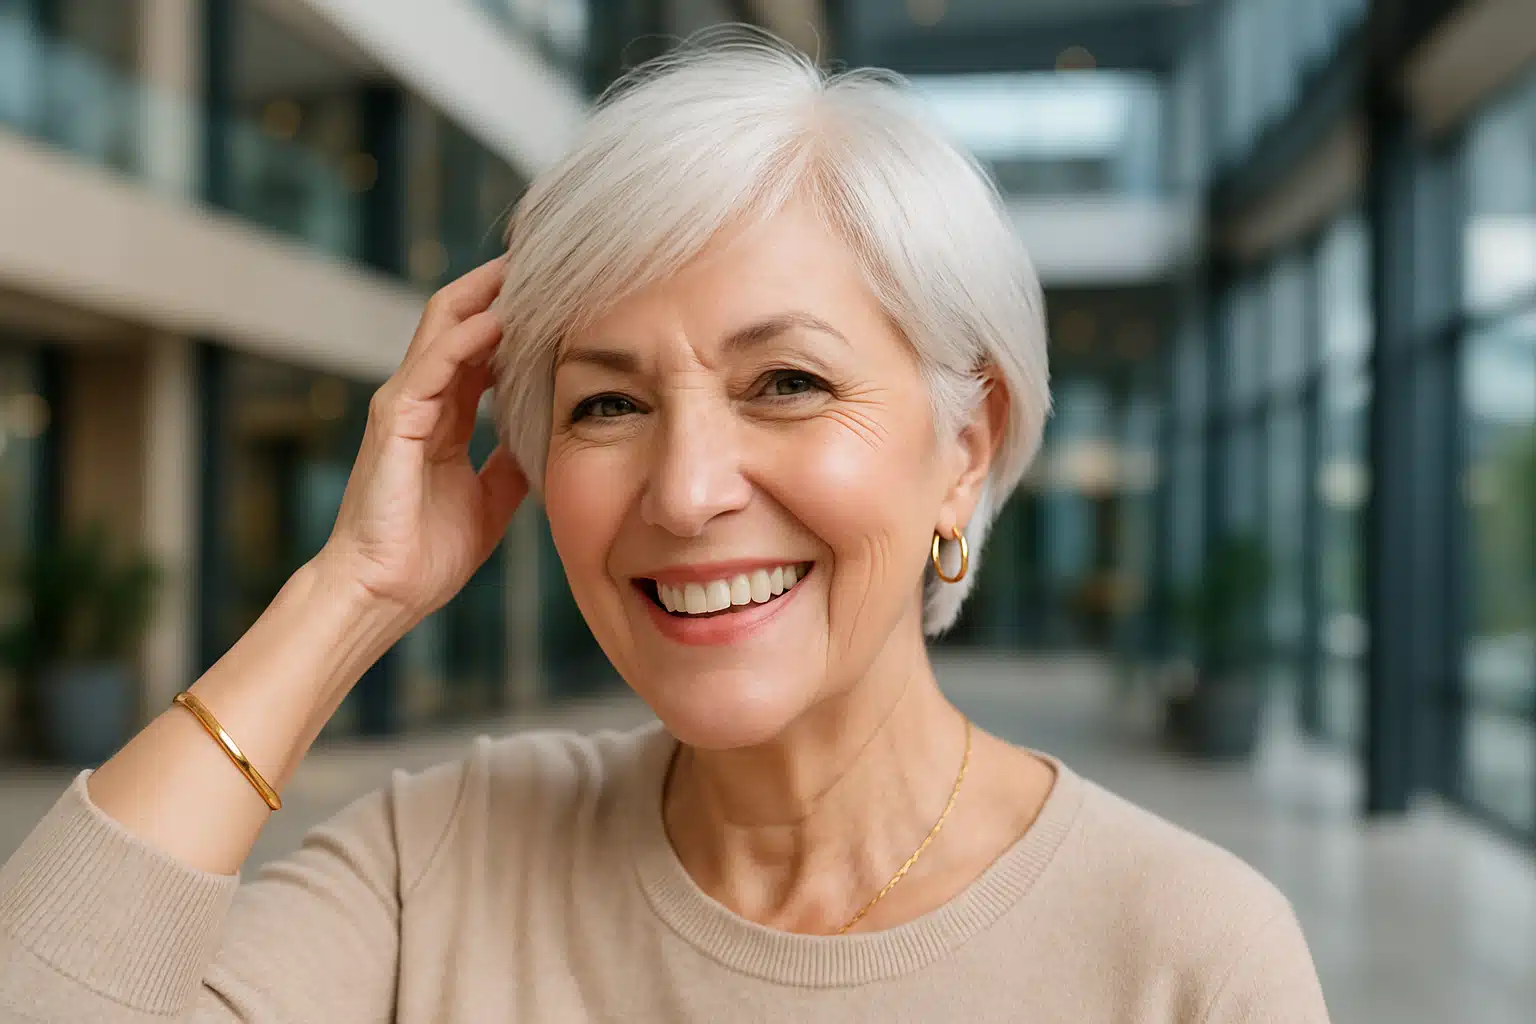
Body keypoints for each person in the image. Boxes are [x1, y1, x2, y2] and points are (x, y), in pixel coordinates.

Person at [0, 36, 1330, 1023]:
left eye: (787, 382)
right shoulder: (438, 866)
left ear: (966, 444)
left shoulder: (1188, 955)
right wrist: (350, 593)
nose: (687, 492)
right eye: (609, 403)